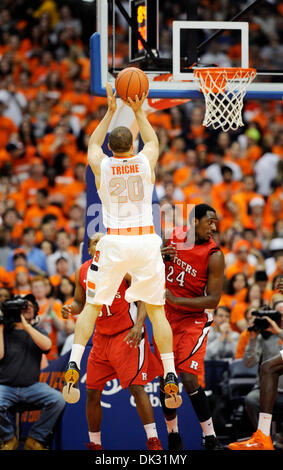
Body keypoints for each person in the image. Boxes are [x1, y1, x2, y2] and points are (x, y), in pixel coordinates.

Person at [64, 83, 181, 409]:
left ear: (112, 148)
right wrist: (140, 110)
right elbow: (153, 140)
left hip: (114, 241)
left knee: (90, 306)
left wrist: (111, 110)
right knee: (157, 311)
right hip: (145, 240)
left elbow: (91, 142)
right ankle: (170, 372)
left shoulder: (102, 165)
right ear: (131, 144)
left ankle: (74, 362)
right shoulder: (145, 162)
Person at [61, 233, 164, 450]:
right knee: (91, 392)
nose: (99, 244)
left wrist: (138, 325)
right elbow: (80, 302)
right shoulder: (82, 271)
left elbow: (142, 297)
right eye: (95, 242)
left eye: (103, 241)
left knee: (137, 387)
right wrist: (71, 308)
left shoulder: (123, 268)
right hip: (100, 338)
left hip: (125, 334)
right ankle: (95, 444)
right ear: (89, 250)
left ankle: (153, 440)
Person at [158, 203, 225, 450]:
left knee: (187, 376)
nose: (214, 227)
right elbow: (149, 269)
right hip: (165, 316)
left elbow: (214, 300)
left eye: (215, 222)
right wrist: (159, 257)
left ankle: (210, 438)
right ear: (194, 221)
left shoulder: (214, 254)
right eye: (210, 221)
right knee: (167, 378)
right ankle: (173, 436)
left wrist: (177, 300)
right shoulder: (171, 238)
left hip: (194, 318)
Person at [0, 293, 65, 450]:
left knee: (58, 400)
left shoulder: (37, 330)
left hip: (32, 386)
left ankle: (35, 438)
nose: (26, 308)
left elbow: (47, 346)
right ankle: (8, 438)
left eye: (29, 305)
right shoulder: (4, 331)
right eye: (22, 306)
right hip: (5, 386)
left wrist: (27, 327)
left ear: (35, 310)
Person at [228, 294, 283, 450]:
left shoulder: (278, 332)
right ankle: (265, 437)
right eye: (278, 315)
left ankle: (274, 438)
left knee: (268, 367)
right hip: (268, 390)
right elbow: (247, 362)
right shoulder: (264, 336)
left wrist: (278, 331)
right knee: (251, 399)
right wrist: (252, 338)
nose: (280, 319)